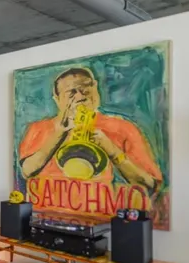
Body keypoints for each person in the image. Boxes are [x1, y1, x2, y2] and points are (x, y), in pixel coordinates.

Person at [19, 67, 161, 192]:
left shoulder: (124, 128)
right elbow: (27, 171)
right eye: (71, 92)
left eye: (86, 89)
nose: (80, 96)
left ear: (96, 89)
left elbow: (150, 185)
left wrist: (113, 151)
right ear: (57, 99)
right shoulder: (38, 128)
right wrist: (58, 135)